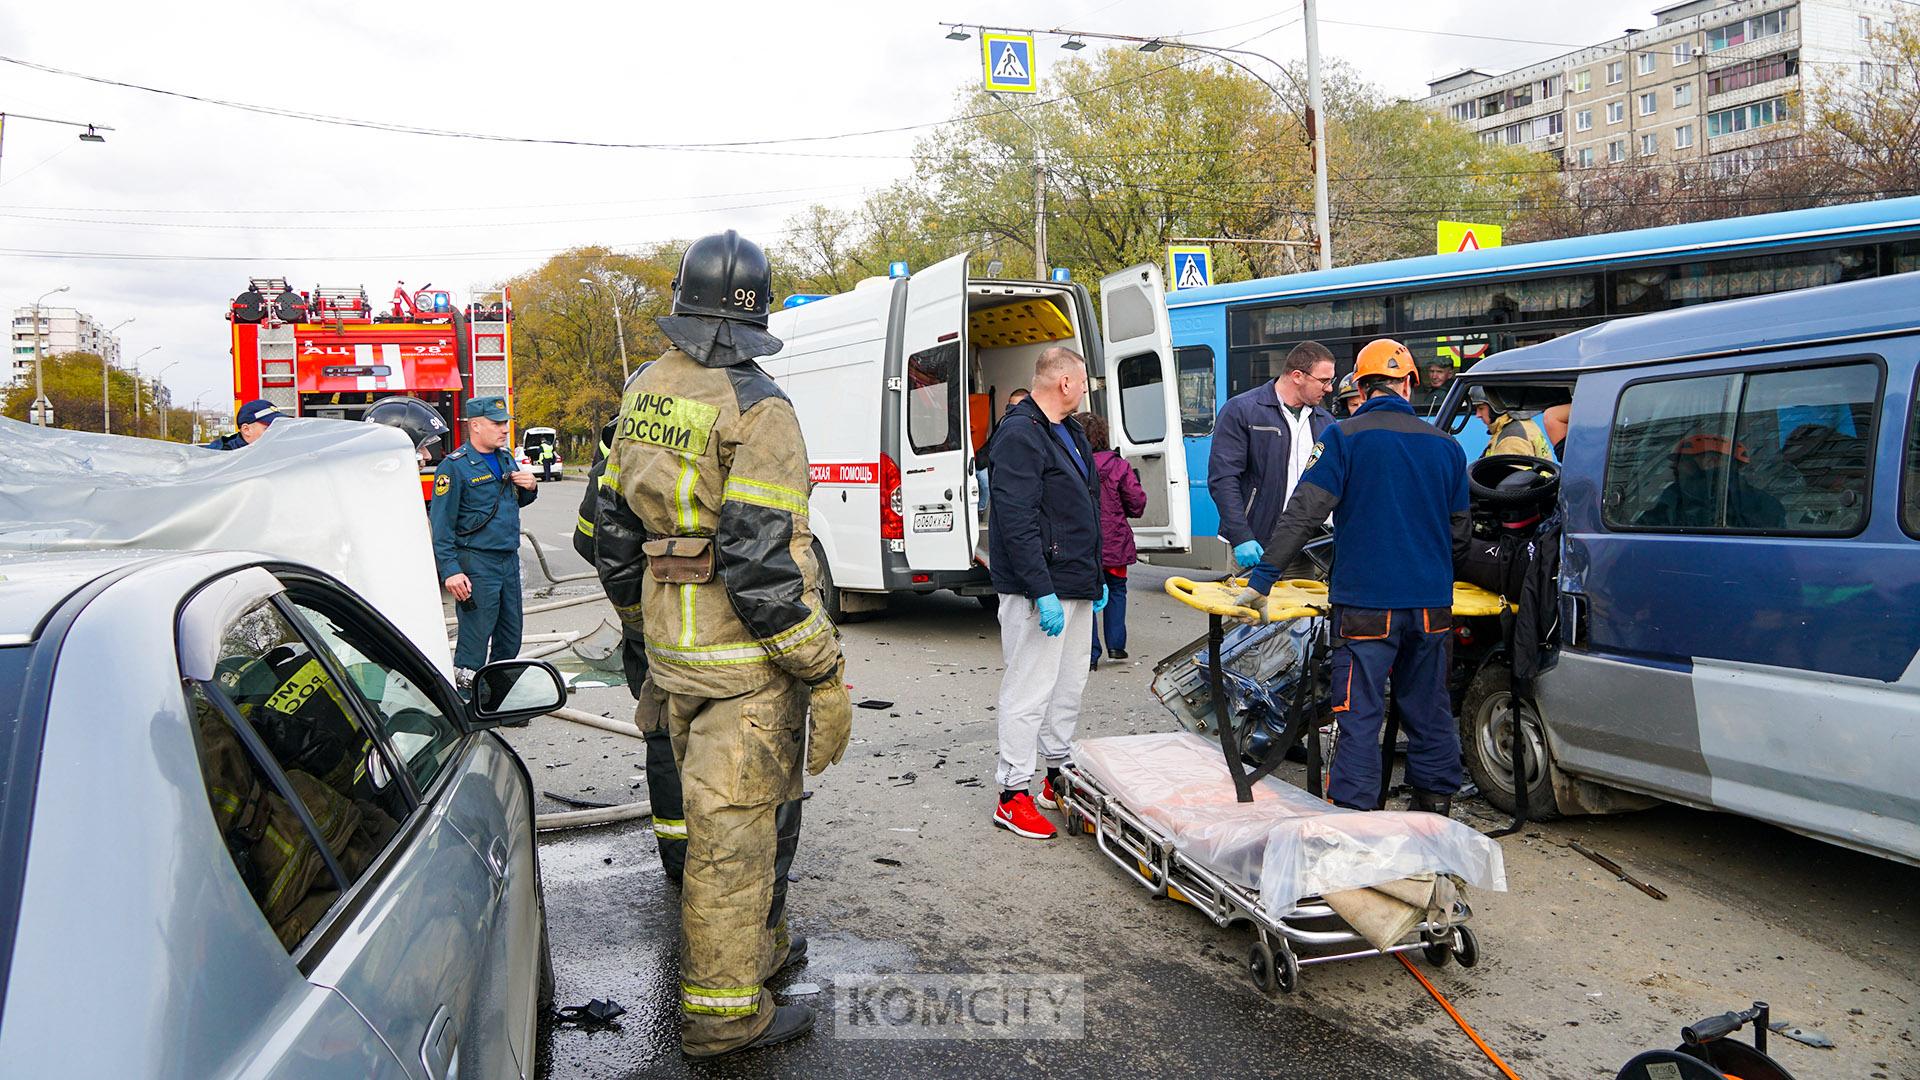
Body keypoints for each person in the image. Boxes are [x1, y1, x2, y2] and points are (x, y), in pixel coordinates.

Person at [606, 230, 849, 1060]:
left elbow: (604, 530)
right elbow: (764, 565)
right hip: (747, 671)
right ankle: (723, 1017)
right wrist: (823, 672)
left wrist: (642, 628)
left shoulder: (645, 388)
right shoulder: (760, 406)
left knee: (732, 824)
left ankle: (759, 956)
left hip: (674, 661)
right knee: (737, 842)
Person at [1235, 338, 1470, 816]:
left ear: (1361, 387)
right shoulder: (1448, 448)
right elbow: (1460, 536)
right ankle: (1433, 814)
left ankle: (1357, 821)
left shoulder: (1343, 438)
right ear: (1409, 384)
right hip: (1430, 607)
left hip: (1366, 607)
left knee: (1359, 712)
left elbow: (1302, 516)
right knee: (1429, 709)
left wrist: (1261, 581)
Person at [987, 347, 1107, 840]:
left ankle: (1056, 775)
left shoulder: (1071, 430)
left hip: (1075, 581)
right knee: (1029, 690)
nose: (1084, 390)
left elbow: (1085, 509)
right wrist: (1042, 590)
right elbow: (1015, 520)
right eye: (1082, 382)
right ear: (1064, 383)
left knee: (1068, 684)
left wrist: (1094, 579)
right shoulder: (1020, 433)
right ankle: (1012, 793)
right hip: (1041, 587)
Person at [574, 411, 687, 886]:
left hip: (649, 628)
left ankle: (679, 858)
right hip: (707, 626)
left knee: (662, 736)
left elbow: (588, 542)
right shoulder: (704, 440)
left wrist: (636, 613)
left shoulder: (615, 453)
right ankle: (711, 855)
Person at [429, 396, 538, 690]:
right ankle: (467, 704)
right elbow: (441, 526)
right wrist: (450, 570)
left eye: (505, 423)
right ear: (475, 425)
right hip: (476, 563)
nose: (504, 430)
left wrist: (530, 487)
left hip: (507, 561)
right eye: (497, 423)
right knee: (475, 640)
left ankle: (498, 701)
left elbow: (511, 502)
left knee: (510, 636)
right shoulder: (455, 467)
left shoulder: (505, 458)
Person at [1207, 341, 1336, 573]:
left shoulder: (1326, 422)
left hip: (1305, 548)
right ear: (1297, 376)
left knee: (1299, 610)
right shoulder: (1241, 410)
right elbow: (1223, 479)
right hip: (1256, 545)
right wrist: (1241, 536)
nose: (1329, 389)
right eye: (1324, 381)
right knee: (1251, 610)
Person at [1080, 412, 1146, 669]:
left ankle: (1090, 655)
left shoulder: (1073, 464)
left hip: (1083, 542)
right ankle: (1116, 646)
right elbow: (1137, 502)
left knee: (1085, 598)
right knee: (1117, 590)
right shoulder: (1119, 465)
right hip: (1115, 540)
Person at [1636, 433, 1784, 530]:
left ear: (1709, 462)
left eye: (1682, 461)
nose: (1674, 467)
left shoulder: (1679, 498)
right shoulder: (1767, 504)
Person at [1469, 386, 1555, 460]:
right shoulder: (1522, 424)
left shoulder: (1511, 438)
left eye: (1481, 408)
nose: (1477, 415)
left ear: (1496, 407)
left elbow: (1512, 478)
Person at [204, 398, 280, 450]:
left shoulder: (279, 449)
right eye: (268, 428)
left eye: (278, 427)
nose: (275, 432)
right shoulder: (222, 454)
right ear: (246, 430)